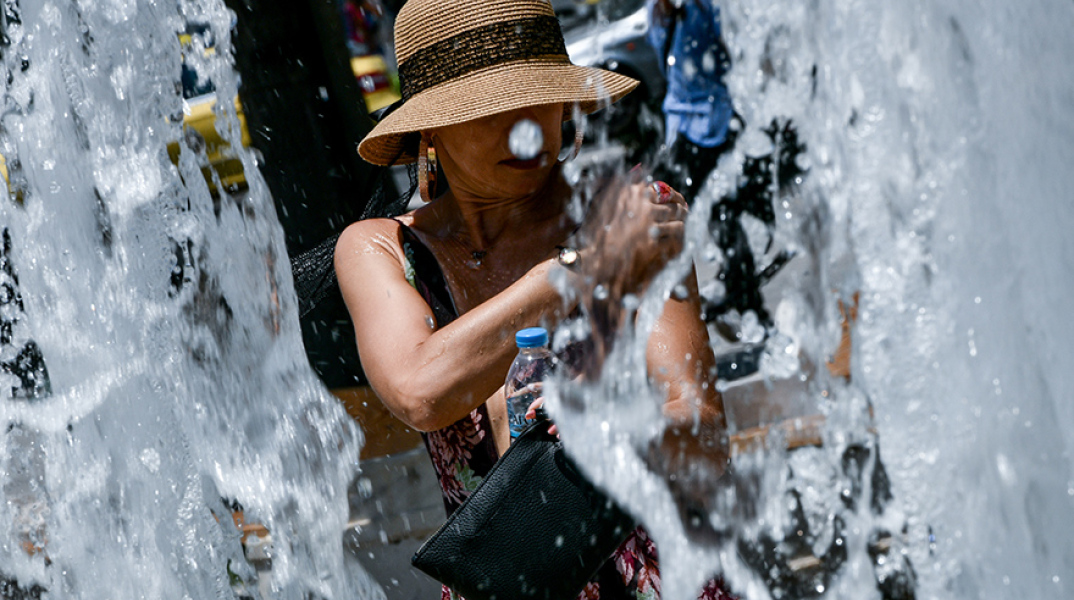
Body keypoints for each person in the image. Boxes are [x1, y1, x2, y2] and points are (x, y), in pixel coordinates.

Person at [335, 0, 733, 598]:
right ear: (430, 129)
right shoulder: (382, 250)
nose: (523, 126)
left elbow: (701, 432)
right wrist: (582, 270)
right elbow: (420, 390)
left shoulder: (632, 213)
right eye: (489, 109)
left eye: (538, 97)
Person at [647, 0, 736, 201]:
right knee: (723, 203)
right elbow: (733, 57)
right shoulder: (706, 5)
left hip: (677, 125)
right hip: (717, 120)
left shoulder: (655, 6)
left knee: (680, 205)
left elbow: (663, 62)